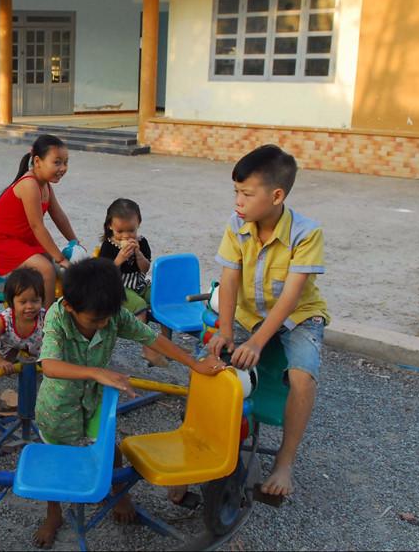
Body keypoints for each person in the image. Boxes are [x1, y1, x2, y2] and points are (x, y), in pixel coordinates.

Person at [33, 258, 226, 548]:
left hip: (95, 399)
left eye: (109, 317)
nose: (105, 324)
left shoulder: (111, 314)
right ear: (70, 306)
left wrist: (193, 362)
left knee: (109, 448)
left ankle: (119, 492)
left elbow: (151, 337)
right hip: (58, 405)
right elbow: (49, 365)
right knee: (57, 460)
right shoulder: (57, 317)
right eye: (96, 320)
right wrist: (96, 372)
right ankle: (54, 513)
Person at [206, 144, 329, 500]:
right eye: (236, 192)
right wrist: (226, 330)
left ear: (276, 195)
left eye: (246, 193)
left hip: (300, 317)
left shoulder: (307, 233)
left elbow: (291, 298)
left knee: (302, 378)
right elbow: (228, 279)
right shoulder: (236, 226)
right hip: (248, 313)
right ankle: (208, 447)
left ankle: (285, 462)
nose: (238, 202)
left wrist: (257, 342)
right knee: (212, 363)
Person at [0, 134, 79, 307]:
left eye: (66, 162)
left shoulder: (45, 184)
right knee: (47, 269)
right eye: (57, 162)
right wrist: (60, 258)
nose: (63, 168)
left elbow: (59, 216)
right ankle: (48, 322)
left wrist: (75, 242)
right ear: (38, 161)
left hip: (21, 236)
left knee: (53, 261)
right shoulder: (29, 184)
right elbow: (37, 226)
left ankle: (54, 306)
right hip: (2, 239)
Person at [96, 198, 167, 367]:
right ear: (110, 226)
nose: (126, 236)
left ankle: (165, 342)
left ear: (139, 224)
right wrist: (120, 258)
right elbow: (104, 273)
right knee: (139, 306)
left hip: (139, 283)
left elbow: (144, 268)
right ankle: (147, 349)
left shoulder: (141, 242)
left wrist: (138, 254)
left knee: (162, 297)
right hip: (117, 287)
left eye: (131, 230)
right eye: (120, 231)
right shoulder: (108, 246)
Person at [0, 267, 46, 374]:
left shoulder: (44, 317)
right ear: (12, 302)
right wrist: (0, 361)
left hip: (36, 354)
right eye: (23, 302)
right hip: (9, 350)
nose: (30, 306)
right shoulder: (7, 318)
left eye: (35, 301)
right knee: (9, 365)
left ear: (42, 299)